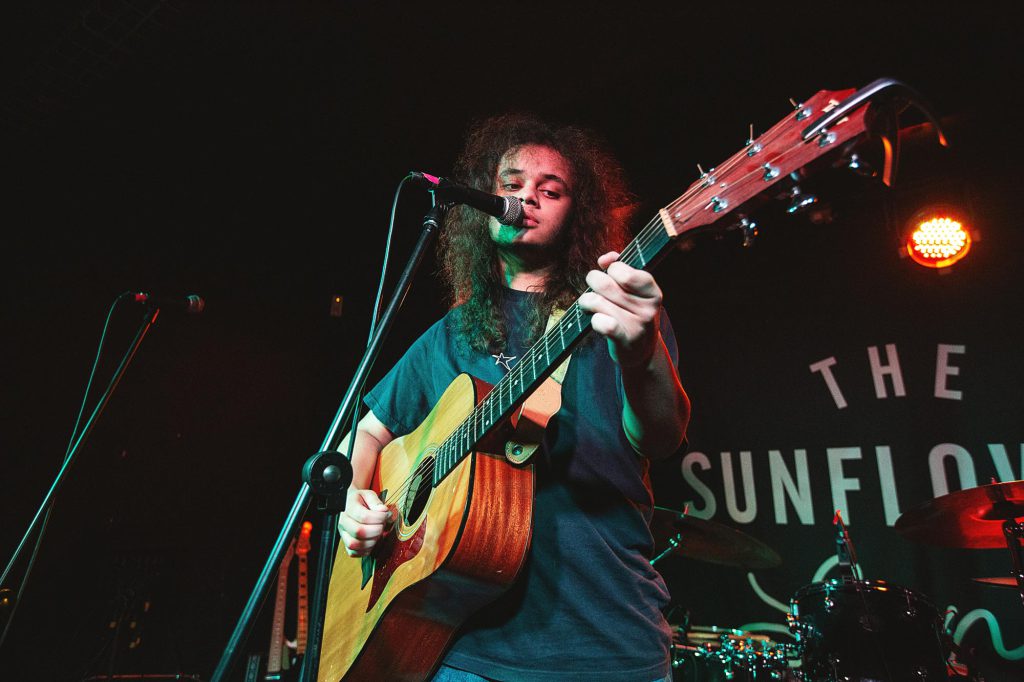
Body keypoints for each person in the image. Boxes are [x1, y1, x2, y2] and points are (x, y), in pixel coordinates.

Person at [336, 112, 691, 681]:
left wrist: (641, 349)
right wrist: (353, 503)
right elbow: (369, 431)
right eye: (511, 184)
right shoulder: (451, 333)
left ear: (577, 214)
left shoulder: (615, 309)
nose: (526, 198)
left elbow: (661, 438)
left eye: (551, 191)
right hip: (456, 648)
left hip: (605, 639)